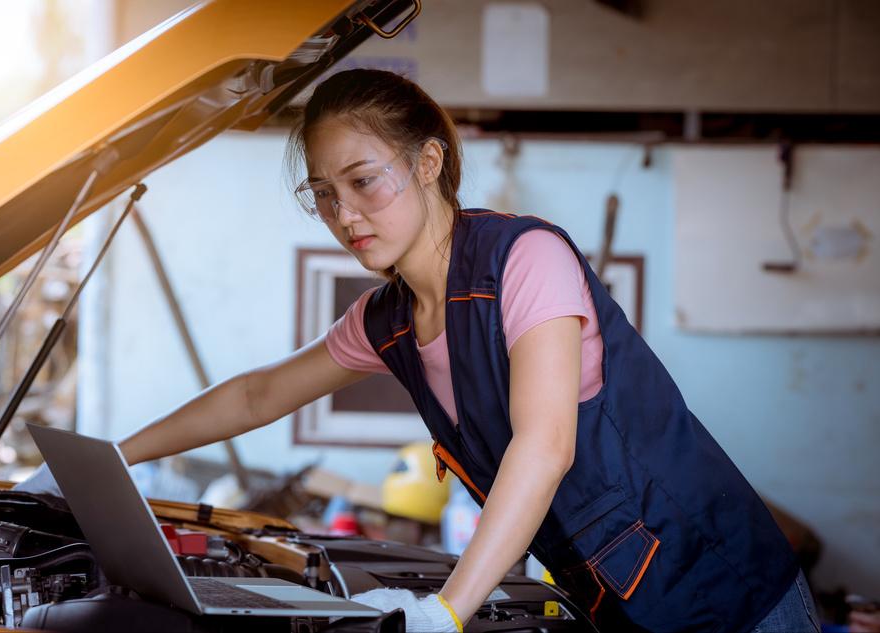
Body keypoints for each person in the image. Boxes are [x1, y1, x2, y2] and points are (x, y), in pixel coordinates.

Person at [105, 69, 818, 632]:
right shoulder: (386, 319)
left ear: (427, 162)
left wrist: (449, 607)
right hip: (613, 600)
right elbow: (256, 395)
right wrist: (114, 456)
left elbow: (544, 447)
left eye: (362, 181)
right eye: (323, 194)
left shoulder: (524, 258)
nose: (345, 215)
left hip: (726, 588)